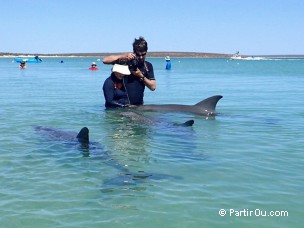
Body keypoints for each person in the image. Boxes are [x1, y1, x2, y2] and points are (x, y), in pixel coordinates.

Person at [102, 36, 156, 105]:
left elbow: (153, 87)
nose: (141, 57)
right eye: (138, 55)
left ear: (146, 51)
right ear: (134, 52)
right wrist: (124, 56)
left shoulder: (148, 66)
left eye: (143, 54)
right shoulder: (125, 61)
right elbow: (105, 60)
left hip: (138, 106)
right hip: (121, 105)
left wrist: (141, 76)